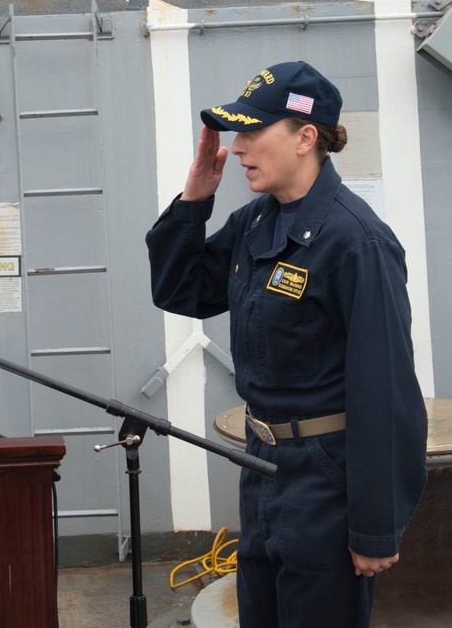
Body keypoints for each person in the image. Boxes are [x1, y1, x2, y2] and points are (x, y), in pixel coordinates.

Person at [145, 61, 428, 627]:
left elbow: (386, 391)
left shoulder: (356, 242)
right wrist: (194, 200)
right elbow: (182, 290)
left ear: (304, 137)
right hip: (263, 465)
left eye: (253, 131)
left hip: (327, 478)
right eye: (237, 132)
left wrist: (375, 526)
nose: (239, 147)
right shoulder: (258, 221)